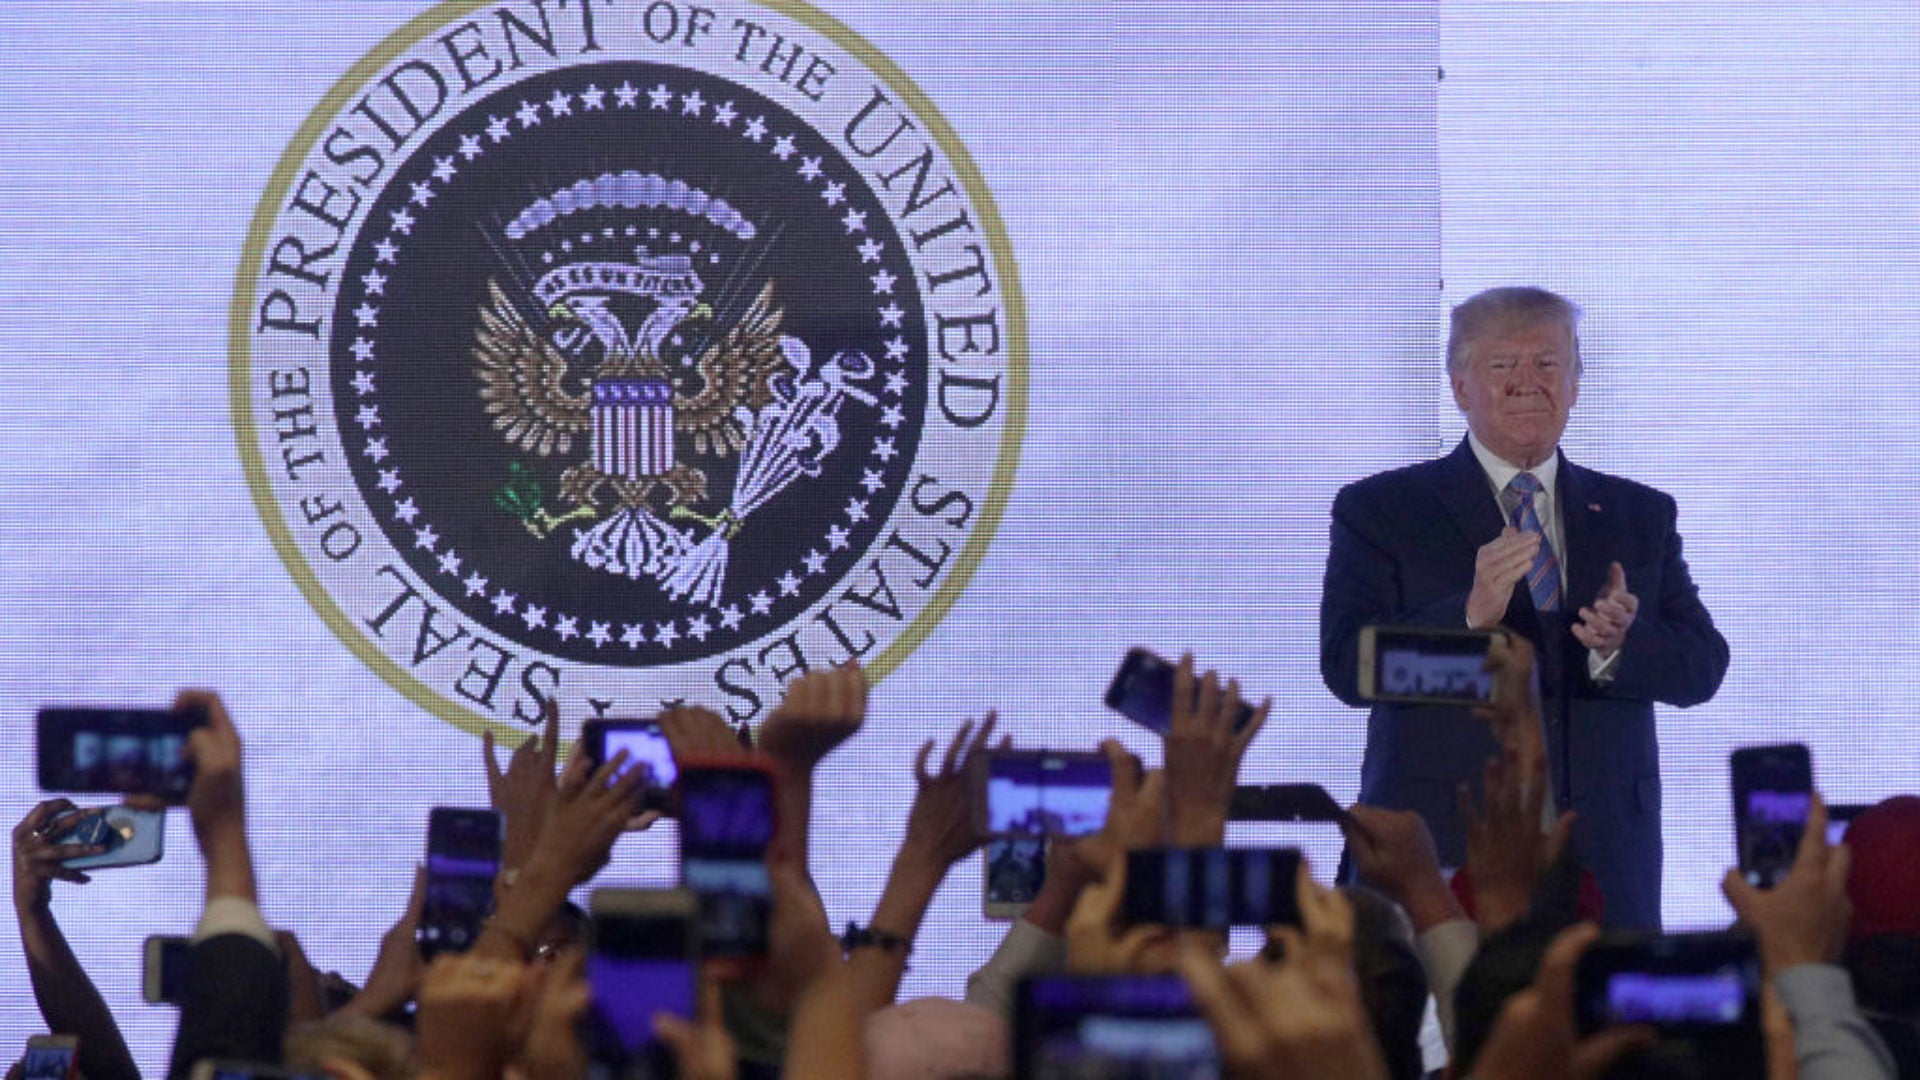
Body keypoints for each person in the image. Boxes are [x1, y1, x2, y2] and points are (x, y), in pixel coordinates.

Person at [1320, 285, 1729, 930]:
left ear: (1574, 382)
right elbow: (1350, 669)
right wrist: (1466, 619)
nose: (1526, 383)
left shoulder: (1639, 515)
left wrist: (1624, 644)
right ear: (1460, 388)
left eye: (1546, 362)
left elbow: (1703, 667)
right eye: (1501, 366)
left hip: (1606, 867)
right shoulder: (1382, 511)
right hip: (1442, 863)